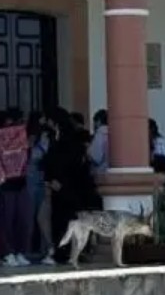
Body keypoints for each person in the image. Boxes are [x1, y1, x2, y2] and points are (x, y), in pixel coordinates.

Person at [44, 107, 94, 264]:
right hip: (68, 186)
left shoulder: (66, 141)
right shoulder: (62, 138)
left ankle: (64, 253)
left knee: (64, 220)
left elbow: (63, 163)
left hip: (68, 186)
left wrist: (56, 180)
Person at [0, 110, 31, 268]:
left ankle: (21, 252)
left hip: (21, 184)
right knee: (6, 221)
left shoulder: (24, 140)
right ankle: (7, 253)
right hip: (6, 185)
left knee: (23, 220)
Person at [24, 111, 54, 265]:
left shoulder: (46, 138)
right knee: (30, 216)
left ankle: (46, 248)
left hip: (41, 179)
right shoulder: (28, 138)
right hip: (31, 179)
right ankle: (27, 248)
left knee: (42, 217)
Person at [88, 109, 109, 175]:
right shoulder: (115, 133)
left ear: (98, 121)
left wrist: (87, 152)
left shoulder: (100, 134)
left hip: (100, 173)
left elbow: (96, 157)